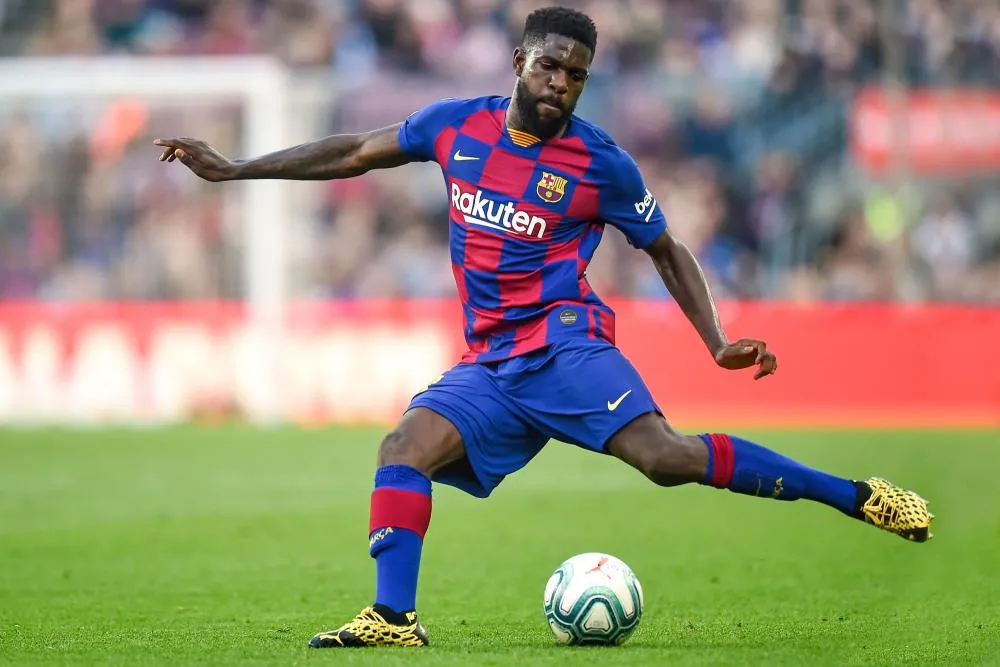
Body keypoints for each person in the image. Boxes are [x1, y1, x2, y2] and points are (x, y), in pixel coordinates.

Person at [154, 6, 933, 649]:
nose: (561, 83)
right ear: (520, 61)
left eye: (576, 76)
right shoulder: (455, 127)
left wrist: (717, 340)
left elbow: (667, 249)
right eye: (551, 67)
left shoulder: (601, 164)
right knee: (403, 447)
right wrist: (237, 169)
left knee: (665, 458)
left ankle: (856, 495)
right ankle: (393, 617)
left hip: (565, 345)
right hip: (493, 361)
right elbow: (355, 150)